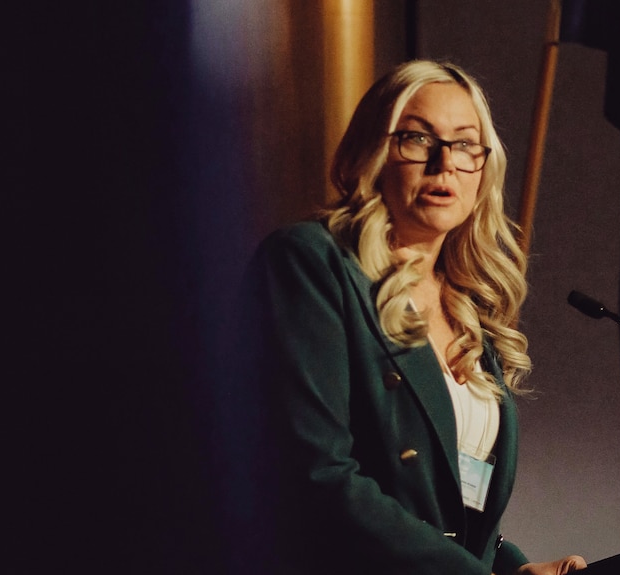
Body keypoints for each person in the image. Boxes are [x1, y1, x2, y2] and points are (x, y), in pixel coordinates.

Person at [242, 60, 586, 575]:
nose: (444, 163)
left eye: (466, 143)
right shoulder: (314, 263)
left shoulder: (469, 308)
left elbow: (455, 511)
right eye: (417, 139)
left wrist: (510, 569)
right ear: (374, 154)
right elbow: (317, 475)